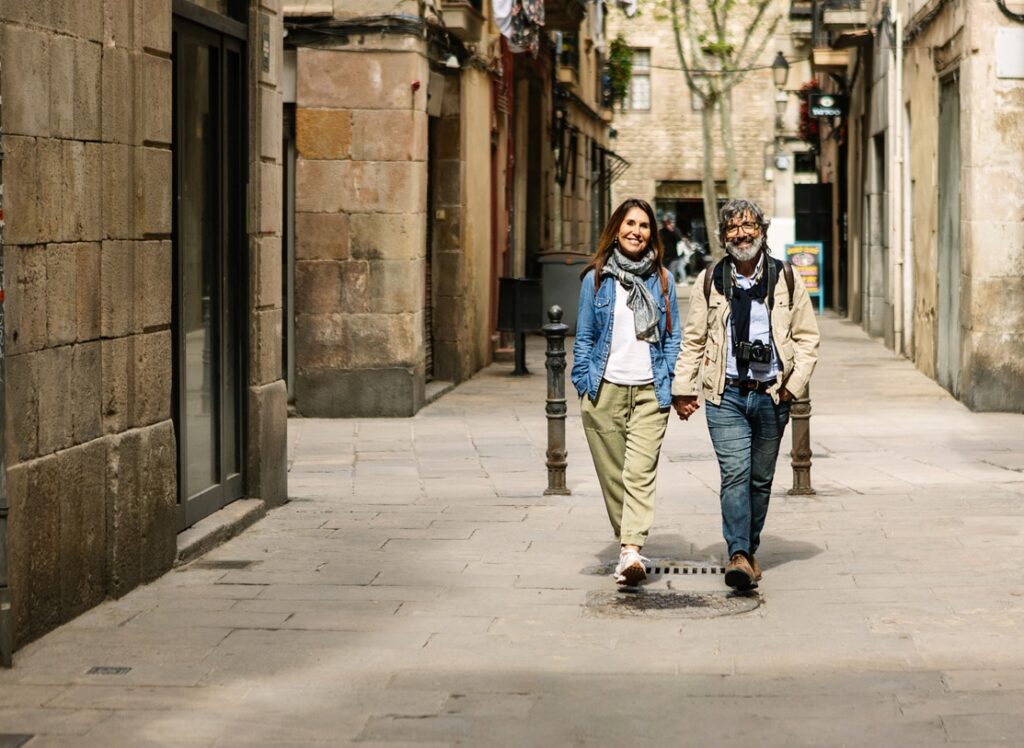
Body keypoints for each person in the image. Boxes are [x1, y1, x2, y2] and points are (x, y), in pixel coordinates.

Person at [672, 199, 819, 590]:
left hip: (772, 393)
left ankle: (748, 550)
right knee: (735, 474)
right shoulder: (710, 281)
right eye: (733, 228)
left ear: (762, 230)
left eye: (748, 225)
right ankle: (738, 553)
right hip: (727, 395)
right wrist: (683, 388)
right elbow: (693, 340)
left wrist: (792, 385)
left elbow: (807, 338)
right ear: (723, 237)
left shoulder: (785, 278)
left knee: (760, 479)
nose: (741, 233)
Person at [572, 198, 682, 587]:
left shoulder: (663, 279)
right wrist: (584, 384)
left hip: (650, 391)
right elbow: (584, 337)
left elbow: (673, 337)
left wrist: (668, 379)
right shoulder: (596, 279)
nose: (637, 231)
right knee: (613, 476)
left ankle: (632, 549)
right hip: (605, 390)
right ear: (616, 228)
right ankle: (628, 547)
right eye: (630, 223)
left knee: (639, 473)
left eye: (645, 225)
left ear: (653, 233)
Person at [658, 213, 684, 282]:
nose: (665, 224)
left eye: (667, 222)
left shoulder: (674, 230)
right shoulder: (661, 232)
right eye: (664, 223)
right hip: (663, 257)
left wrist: (672, 230)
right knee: (662, 276)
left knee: (671, 277)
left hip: (673, 257)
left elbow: (679, 239)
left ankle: (670, 290)